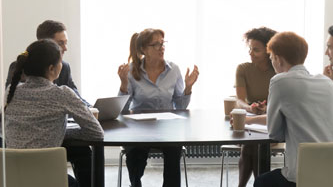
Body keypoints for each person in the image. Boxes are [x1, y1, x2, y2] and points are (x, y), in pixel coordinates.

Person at [233, 32, 333, 187]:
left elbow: (275, 133)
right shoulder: (326, 82)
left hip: (302, 177)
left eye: (271, 58)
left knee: (261, 182)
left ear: (278, 59)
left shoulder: (280, 81)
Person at [3, 39, 104, 187]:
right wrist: (61, 132)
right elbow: (96, 133)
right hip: (48, 179)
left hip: (13, 178)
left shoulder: (10, 91)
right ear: (51, 69)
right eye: (60, 61)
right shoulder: (62, 93)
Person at [117, 28, 199, 187]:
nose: (161, 48)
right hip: (139, 127)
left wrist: (188, 88)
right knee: (135, 151)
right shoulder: (132, 70)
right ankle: (135, 184)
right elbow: (123, 110)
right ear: (143, 49)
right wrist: (123, 85)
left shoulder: (173, 69)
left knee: (174, 150)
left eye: (162, 43)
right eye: (156, 44)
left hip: (167, 127)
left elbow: (180, 106)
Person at [235, 27, 277, 187]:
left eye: (256, 50)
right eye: (250, 48)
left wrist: (267, 108)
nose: (250, 53)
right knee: (250, 144)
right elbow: (239, 100)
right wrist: (250, 108)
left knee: (252, 146)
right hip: (250, 119)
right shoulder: (243, 69)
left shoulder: (278, 70)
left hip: (271, 120)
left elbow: (281, 101)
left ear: (268, 52)